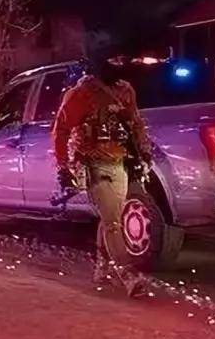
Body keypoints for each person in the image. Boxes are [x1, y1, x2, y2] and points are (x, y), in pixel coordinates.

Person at [52, 53, 153, 297]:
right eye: (113, 61)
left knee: (112, 216)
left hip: (119, 163)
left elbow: (136, 124)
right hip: (95, 164)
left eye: (121, 60)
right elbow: (61, 130)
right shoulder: (82, 94)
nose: (119, 66)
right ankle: (129, 275)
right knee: (113, 223)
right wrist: (63, 166)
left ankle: (103, 266)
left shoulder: (125, 91)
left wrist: (144, 153)